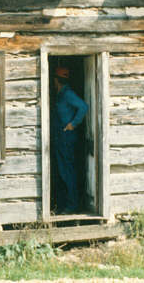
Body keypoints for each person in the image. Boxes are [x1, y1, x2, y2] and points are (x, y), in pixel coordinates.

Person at [52, 66, 88, 215]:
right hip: (60, 138)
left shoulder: (67, 94)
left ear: (56, 80)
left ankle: (72, 205)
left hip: (67, 138)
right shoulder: (60, 95)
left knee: (68, 171)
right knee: (62, 171)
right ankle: (64, 204)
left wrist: (73, 124)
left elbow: (83, 106)